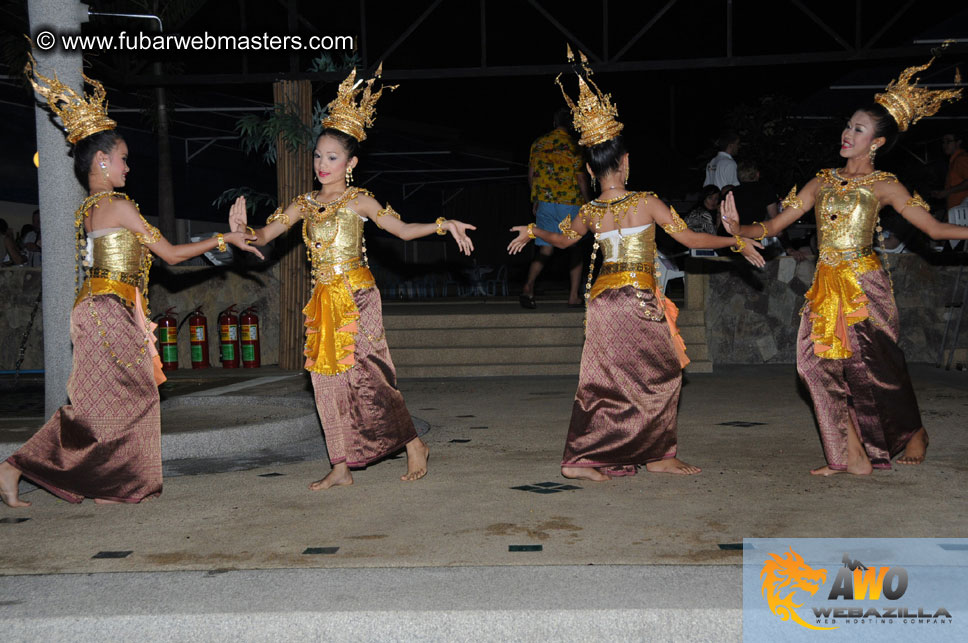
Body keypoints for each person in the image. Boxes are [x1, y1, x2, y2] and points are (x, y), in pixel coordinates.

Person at [0, 60, 260, 508]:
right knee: (130, 396)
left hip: (104, 307)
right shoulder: (117, 205)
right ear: (101, 159)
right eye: (122, 158)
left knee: (107, 401)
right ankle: (21, 466)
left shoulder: (92, 207)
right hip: (107, 309)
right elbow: (172, 255)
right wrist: (224, 238)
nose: (126, 166)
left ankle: (103, 482)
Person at [508, 47, 764, 481]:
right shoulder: (646, 202)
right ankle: (659, 454)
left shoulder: (588, 211)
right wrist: (734, 241)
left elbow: (562, 239)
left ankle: (581, 460)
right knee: (663, 374)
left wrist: (533, 231)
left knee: (603, 382)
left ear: (590, 169)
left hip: (603, 302)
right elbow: (689, 238)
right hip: (639, 300)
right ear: (625, 162)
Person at [229, 66, 476, 490]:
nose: (322, 164)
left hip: (358, 296)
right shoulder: (304, 203)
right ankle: (340, 466)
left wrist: (441, 224)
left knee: (370, 377)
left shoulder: (358, 199)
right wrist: (243, 231)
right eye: (318, 156)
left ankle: (413, 442)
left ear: (351, 162)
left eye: (332, 157)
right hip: (323, 300)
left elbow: (399, 230)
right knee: (324, 382)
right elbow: (266, 234)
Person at [722, 55, 967, 476]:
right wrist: (737, 227)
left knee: (875, 369)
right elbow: (775, 224)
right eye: (847, 125)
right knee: (812, 364)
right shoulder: (822, 180)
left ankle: (912, 433)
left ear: (876, 142)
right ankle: (851, 453)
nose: (846, 133)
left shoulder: (885, 185)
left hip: (866, 285)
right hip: (825, 284)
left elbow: (934, 228)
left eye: (857, 129)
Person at [521, 108, 591, 308]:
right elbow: (580, 177)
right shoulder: (574, 146)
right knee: (575, 247)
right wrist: (588, 202)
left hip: (545, 202)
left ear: (554, 122)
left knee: (545, 248)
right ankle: (573, 295)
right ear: (572, 125)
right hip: (570, 203)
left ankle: (529, 286)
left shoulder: (539, 143)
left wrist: (535, 198)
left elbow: (532, 173)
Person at [931, 131, 968, 209]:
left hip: (962, 214)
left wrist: (947, 192)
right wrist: (943, 193)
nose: (944, 145)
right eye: (943, 142)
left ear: (958, 142)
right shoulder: (954, 160)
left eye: (948, 141)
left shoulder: (961, 159)